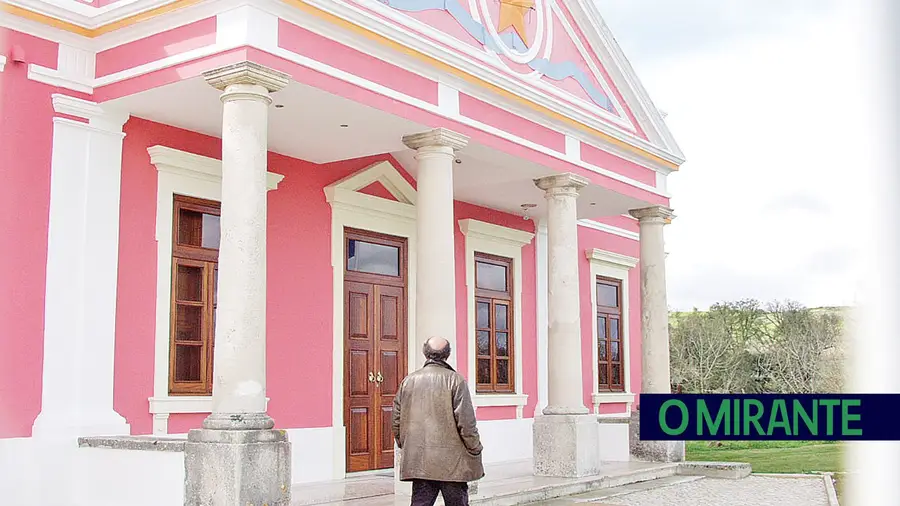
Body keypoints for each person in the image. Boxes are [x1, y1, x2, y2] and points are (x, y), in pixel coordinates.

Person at [392, 337, 484, 506]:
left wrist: (404, 444)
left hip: (420, 462)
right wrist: (475, 447)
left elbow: (396, 420)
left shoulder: (408, 381)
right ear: (447, 355)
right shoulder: (456, 380)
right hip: (452, 464)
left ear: (425, 353)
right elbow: (466, 422)